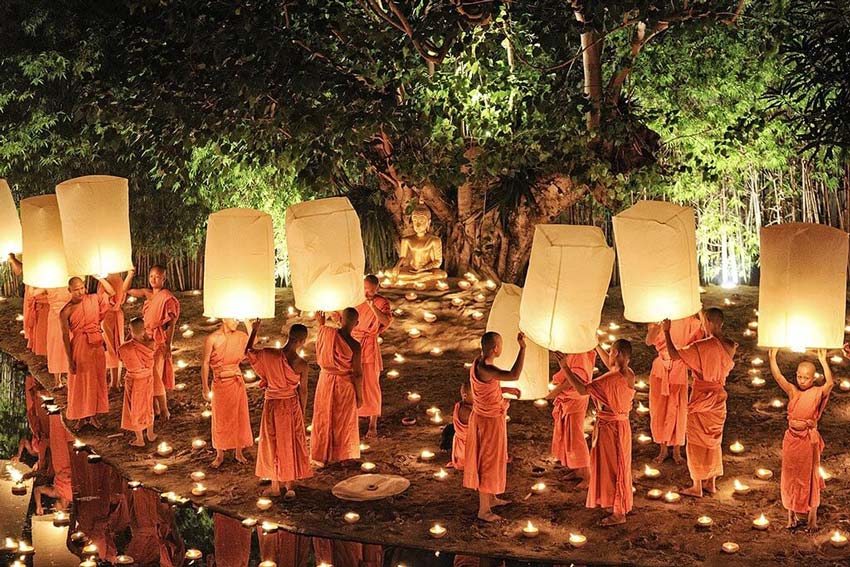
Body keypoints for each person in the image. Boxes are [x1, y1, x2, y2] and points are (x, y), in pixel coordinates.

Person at [556, 340, 635, 526]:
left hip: (611, 430)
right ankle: (615, 503)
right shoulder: (628, 374)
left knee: (615, 468)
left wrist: (565, 368)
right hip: (621, 427)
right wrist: (596, 344)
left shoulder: (609, 380)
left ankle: (618, 513)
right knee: (614, 467)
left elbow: (583, 389)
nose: (609, 353)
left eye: (611, 351)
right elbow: (612, 365)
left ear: (616, 353)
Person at [663, 308, 737, 498]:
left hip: (702, 395)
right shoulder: (730, 345)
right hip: (719, 398)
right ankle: (710, 483)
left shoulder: (704, 346)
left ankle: (697, 485)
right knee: (713, 440)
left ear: (711, 322)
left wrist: (666, 331)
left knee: (696, 441)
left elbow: (674, 354)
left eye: (704, 321)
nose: (702, 325)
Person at [463, 331, 526, 522]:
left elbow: (486, 387)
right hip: (487, 422)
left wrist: (505, 390)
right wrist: (522, 349)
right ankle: (484, 510)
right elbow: (514, 374)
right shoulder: (485, 368)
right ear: (495, 348)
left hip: (488, 418)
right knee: (488, 462)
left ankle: (491, 498)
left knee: (495, 457)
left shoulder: (478, 363)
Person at [246, 320, 313, 499]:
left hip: (272, 404)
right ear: (302, 341)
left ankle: (275, 485)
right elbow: (303, 391)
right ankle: (289, 485)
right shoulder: (301, 364)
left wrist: (254, 331)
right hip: (291, 405)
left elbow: (249, 352)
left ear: (289, 336)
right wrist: (302, 410)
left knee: (272, 442)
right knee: (289, 441)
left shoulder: (269, 354)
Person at [768, 348, 833, 529]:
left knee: (809, 476)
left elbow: (830, 383)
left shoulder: (817, 392)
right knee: (790, 476)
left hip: (807, 440)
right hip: (792, 439)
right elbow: (779, 377)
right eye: (799, 377)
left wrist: (823, 360)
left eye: (806, 378)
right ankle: (791, 516)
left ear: (813, 378)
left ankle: (812, 518)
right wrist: (772, 358)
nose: (802, 381)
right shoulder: (793, 392)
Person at [645, 316, 703, 464]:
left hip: (679, 364)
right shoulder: (657, 314)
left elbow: (702, 331)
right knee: (659, 408)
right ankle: (663, 448)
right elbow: (648, 341)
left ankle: (677, 450)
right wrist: (660, 328)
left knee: (678, 408)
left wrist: (698, 310)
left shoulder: (687, 316)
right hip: (660, 368)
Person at [310, 308, 363, 467]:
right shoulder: (354, 345)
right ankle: (342, 456)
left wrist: (321, 324)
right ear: (357, 324)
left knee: (324, 417)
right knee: (343, 420)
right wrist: (360, 396)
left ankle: (322, 455)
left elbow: (322, 341)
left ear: (340, 319)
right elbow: (358, 374)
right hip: (344, 384)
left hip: (325, 381)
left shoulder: (326, 333)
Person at [60, 276, 114, 430]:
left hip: (96, 344)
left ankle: (93, 416)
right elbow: (65, 337)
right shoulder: (66, 311)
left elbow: (111, 292)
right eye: (76, 289)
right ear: (69, 290)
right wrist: (69, 360)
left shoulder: (93, 299)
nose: (80, 292)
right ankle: (81, 417)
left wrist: (100, 277)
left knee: (96, 380)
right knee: (80, 382)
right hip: (80, 346)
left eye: (82, 287)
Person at [128, 265, 180, 420]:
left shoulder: (167, 298)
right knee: (148, 374)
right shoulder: (147, 293)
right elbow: (125, 290)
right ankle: (155, 408)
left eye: (157, 276)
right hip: (145, 339)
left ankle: (164, 410)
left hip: (158, 340)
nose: (153, 279)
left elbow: (171, 324)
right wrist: (130, 274)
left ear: (164, 278)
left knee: (155, 374)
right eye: (151, 276)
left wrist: (168, 345)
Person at [201, 318, 253, 468]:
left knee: (239, 415)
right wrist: (205, 386)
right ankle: (220, 454)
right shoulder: (213, 338)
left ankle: (239, 452)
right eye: (233, 319)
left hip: (236, 381)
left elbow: (251, 346)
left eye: (238, 319)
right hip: (220, 382)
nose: (236, 322)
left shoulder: (241, 336)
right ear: (224, 319)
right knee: (220, 418)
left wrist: (249, 325)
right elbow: (205, 363)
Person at [546, 349, 596, 488]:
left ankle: (587, 474)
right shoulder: (574, 349)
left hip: (575, 397)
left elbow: (576, 378)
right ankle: (577, 469)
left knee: (576, 436)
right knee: (569, 434)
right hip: (569, 397)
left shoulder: (581, 351)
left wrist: (555, 392)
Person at [353, 275, 393, 438]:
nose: (367, 293)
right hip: (352, 344)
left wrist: (372, 307)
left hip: (369, 345)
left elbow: (386, 321)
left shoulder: (381, 302)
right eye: (365, 289)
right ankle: (352, 420)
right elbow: (340, 317)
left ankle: (372, 424)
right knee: (352, 383)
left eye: (371, 290)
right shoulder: (354, 299)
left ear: (377, 289)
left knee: (371, 384)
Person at [118, 318, 157, 447]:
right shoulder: (151, 343)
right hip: (147, 379)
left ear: (130, 330)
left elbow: (121, 357)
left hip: (134, 381)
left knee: (134, 408)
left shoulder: (124, 348)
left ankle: (140, 439)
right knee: (148, 405)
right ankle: (150, 434)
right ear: (144, 329)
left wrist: (131, 335)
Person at [99, 270, 135, 390]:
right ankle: (116, 381)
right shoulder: (115, 277)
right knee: (114, 346)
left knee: (113, 347)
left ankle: (115, 382)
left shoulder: (112, 278)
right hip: (111, 315)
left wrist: (99, 278)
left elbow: (113, 293)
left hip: (110, 315)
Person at [450, 382, 473, 470]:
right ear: (465, 396)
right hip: (467, 448)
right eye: (476, 394)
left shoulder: (465, 404)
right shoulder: (465, 411)